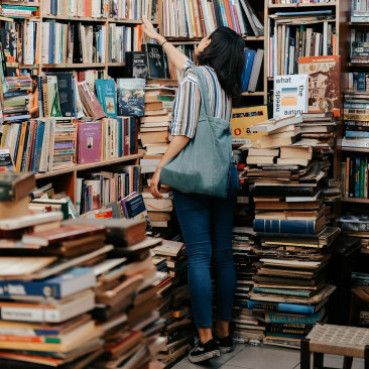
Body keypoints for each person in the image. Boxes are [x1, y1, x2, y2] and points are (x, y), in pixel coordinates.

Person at [142, 17, 245, 364]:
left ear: (211, 48)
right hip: (224, 177)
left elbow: (183, 132)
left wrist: (160, 168)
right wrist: (158, 38)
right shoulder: (223, 82)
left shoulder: (192, 81)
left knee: (199, 255)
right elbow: (181, 59)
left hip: (196, 179)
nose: (199, 41)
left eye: (204, 38)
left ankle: (204, 341)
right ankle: (224, 332)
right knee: (223, 255)